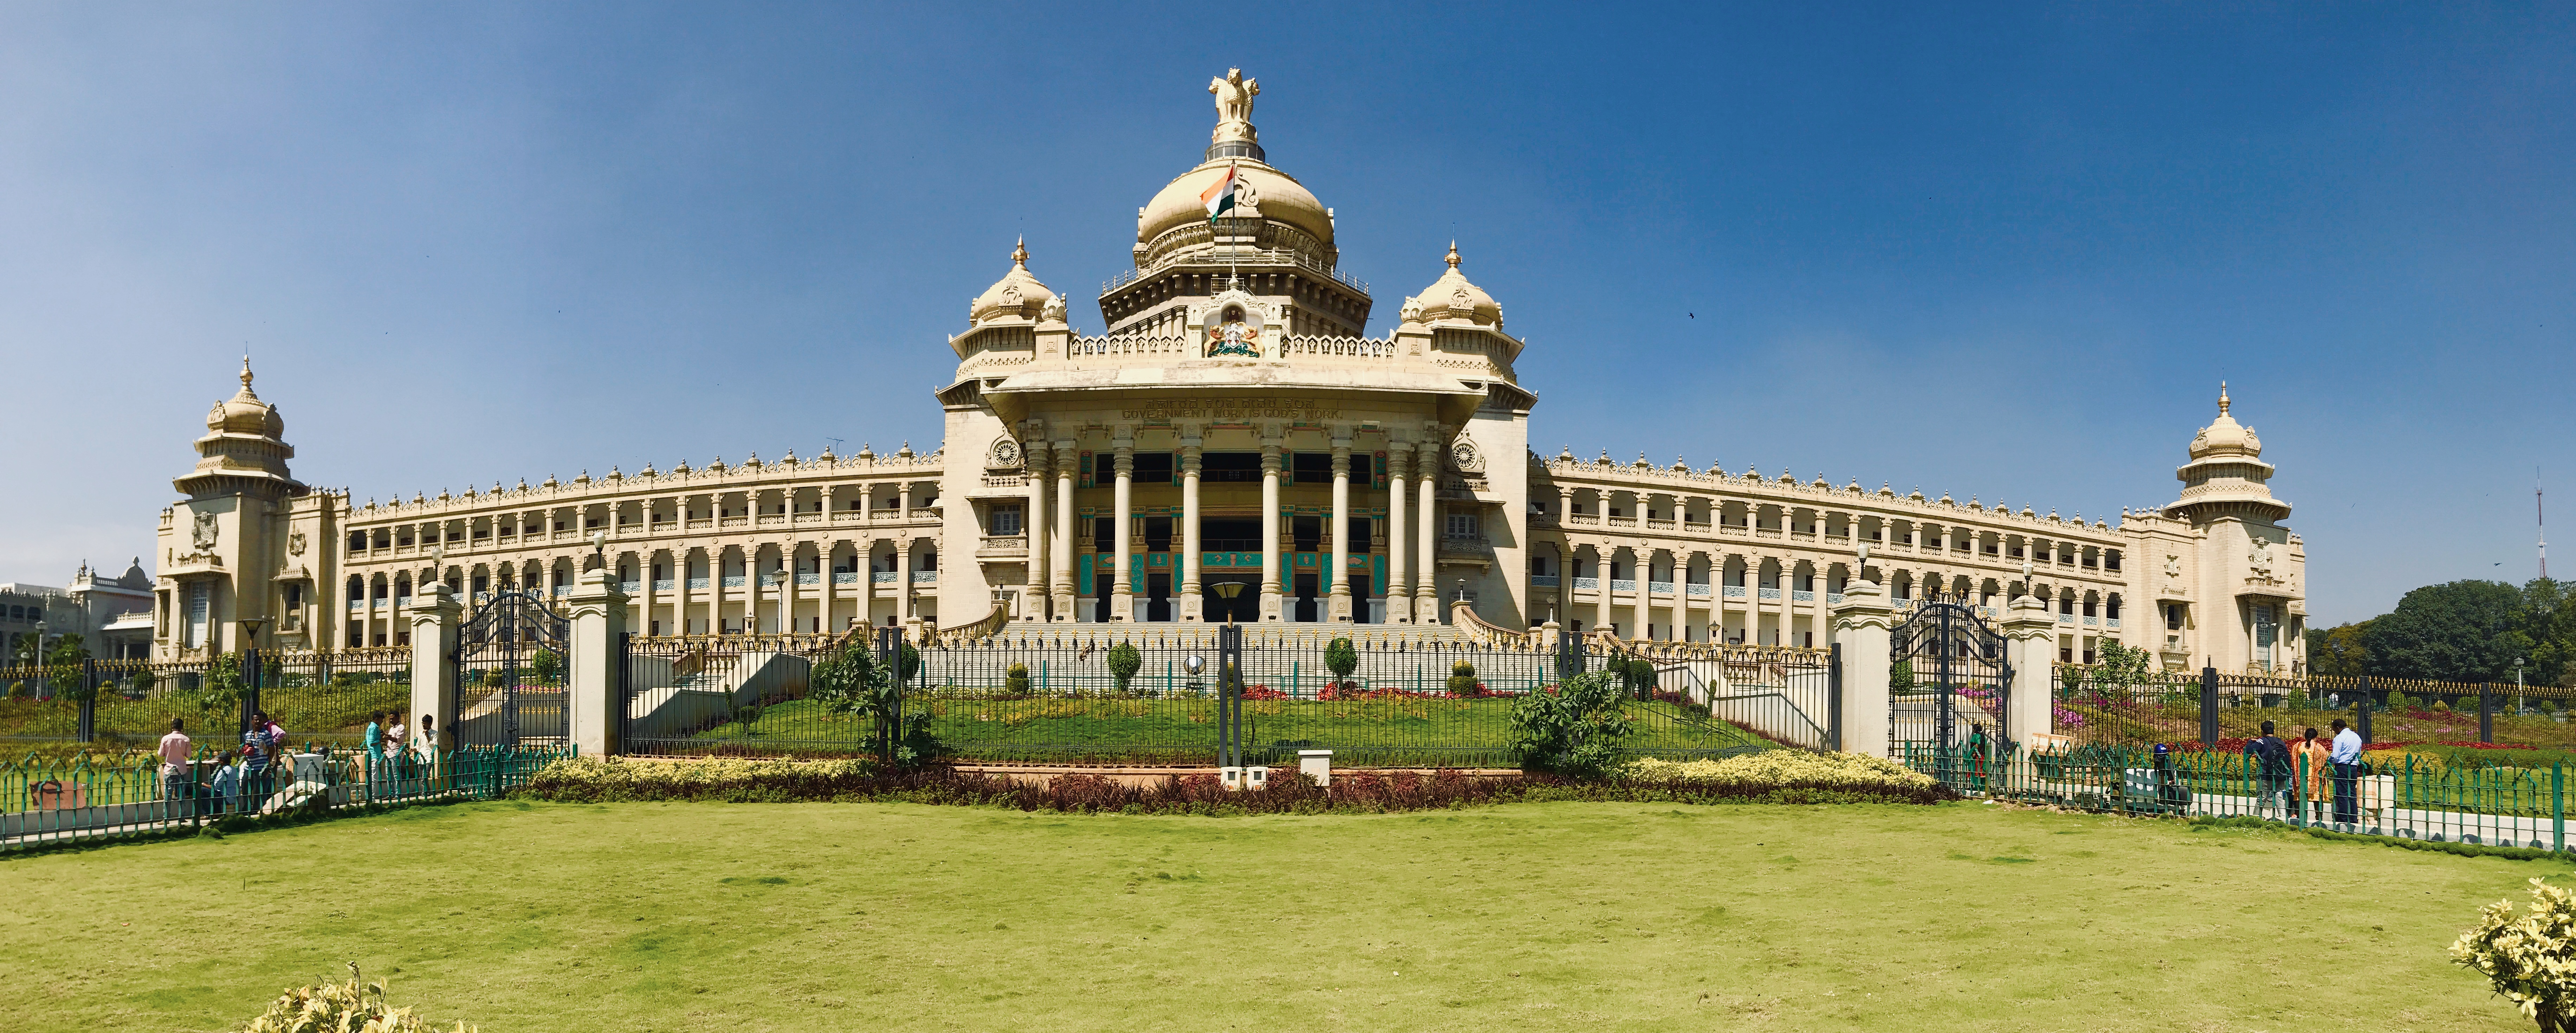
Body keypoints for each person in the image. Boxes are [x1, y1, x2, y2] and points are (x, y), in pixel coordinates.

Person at [2246, 720, 2292, 820]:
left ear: (2263, 731)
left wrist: (2250, 741)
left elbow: (2249, 750)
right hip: (2280, 774)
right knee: (2279, 796)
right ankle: (2284, 819)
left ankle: (2256, 819)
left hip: (2266, 775)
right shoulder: (2281, 742)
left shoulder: (2262, 741)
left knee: (2261, 799)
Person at [2293, 726, 2333, 824]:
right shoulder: (2320, 748)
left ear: (2305, 736)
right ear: (2316, 737)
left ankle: (2300, 817)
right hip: (2315, 775)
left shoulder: (2298, 746)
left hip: (2302, 774)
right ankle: (2319, 818)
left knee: (2300, 796)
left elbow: (2294, 761)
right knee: (2317, 798)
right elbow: (2324, 762)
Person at [2329, 718, 2363, 828]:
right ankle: (2354, 818)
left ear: (2338, 728)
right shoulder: (2356, 737)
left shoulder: (2340, 738)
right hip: (2353, 767)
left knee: (2342, 793)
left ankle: (2343, 818)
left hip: (2342, 767)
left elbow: (2335, 756)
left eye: (2334, 729)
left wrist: (2330, 761)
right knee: (2352, 793)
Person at [157, 717, 192, 812]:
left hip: (169, 769)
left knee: (168, 794)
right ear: (182, 727)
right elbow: (189, 755)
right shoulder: (186, 739)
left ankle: (166, 817)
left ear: (172, 726)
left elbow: (160, 754)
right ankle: (182, 817)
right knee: (182, 794)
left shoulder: (166, 738)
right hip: (181, 770)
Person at [207, 749, 241, 815]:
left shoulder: (224, 771)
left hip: (227, 797)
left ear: (222, 761)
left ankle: (208, 814)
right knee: (216, 793)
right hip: (235, 797)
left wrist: (203, 784)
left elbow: (215, 787)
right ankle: (217, 813)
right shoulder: (234, 769)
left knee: (203, 791)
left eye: (219, 760)